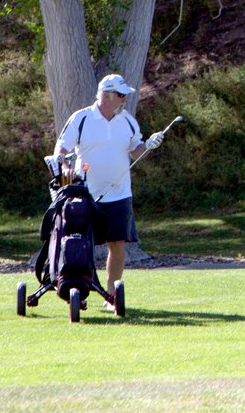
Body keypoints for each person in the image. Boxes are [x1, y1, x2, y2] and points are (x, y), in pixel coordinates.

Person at [54, 74, 164, 306]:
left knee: (117, 244)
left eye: (125, 96)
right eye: (121, 95)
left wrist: (149, 145)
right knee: (79, 243)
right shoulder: (81, 118)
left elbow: (136, 151)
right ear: (106, 95)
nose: (124, 100)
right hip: (84, 195)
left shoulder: (127, 121)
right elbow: (61, 148)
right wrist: (64, 167)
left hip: (119, 194)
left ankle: (112, 297)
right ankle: (76, 293)